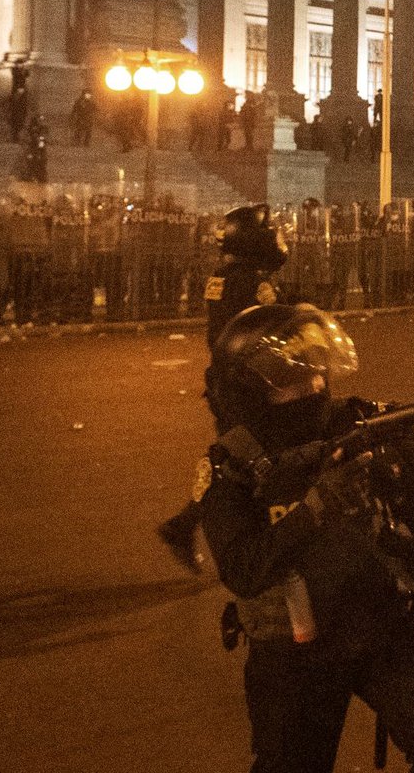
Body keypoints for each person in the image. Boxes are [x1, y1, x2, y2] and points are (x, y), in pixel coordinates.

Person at [197, 304, 414, 773]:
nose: (313, 387)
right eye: (293, 379)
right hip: (295, 646)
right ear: (253, 388)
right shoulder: (233, 466)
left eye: (317, 374)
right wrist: (315, 508)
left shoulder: (356, 423)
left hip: (379, 625)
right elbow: (244, 570)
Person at [158, 204, 291, 571]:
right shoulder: (253, 281)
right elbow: (273, 326)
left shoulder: (223, 275)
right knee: (243, 461)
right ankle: (197, 529)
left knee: (236, 457)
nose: (274, 236)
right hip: (246, 385)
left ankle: (183, 526)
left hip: (227, 381)